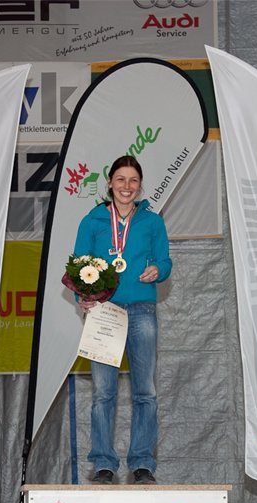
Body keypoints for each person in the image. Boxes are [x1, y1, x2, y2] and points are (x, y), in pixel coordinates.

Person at [73, 155, 171, 485]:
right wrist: (83, 295)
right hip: (104, 310)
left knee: (146, 391)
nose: (126, 186)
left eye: (133, 180)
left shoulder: (152, 222)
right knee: (103, 392)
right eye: (120, 179)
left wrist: (158, 270)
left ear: (140, 186)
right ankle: (104, 463)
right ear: (110, 183)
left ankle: (142, 462)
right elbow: (79, 265)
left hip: (142, 309)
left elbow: (165, 261)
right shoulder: (93, 221)